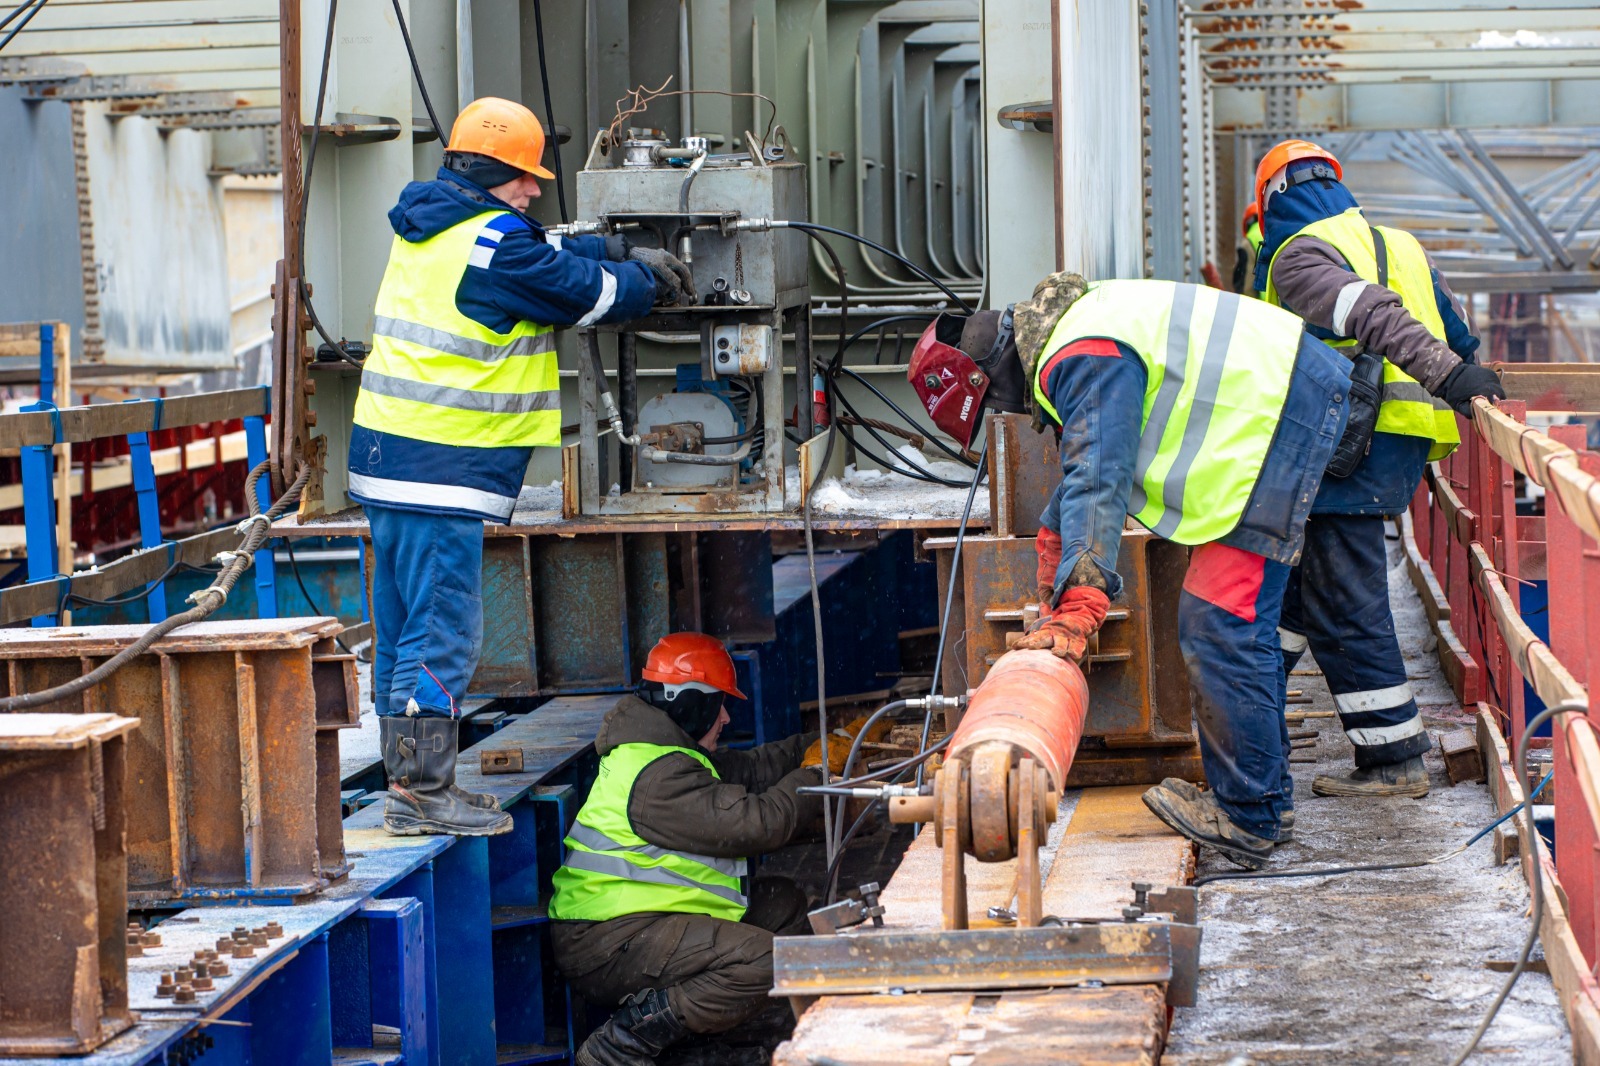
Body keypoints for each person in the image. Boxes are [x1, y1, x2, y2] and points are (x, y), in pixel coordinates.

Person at [910, 272, 1356, 869]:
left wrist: (1078, 606)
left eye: (990, 404)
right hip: (1281, 411)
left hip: (1279, 421)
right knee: (1230, 623)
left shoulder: (1080, 354)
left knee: (1220, 623)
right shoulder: (1079, 331)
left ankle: (1251, 817)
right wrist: (1052, 535)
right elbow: (1088, 467)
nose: (1005, 413)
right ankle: (1265, 799)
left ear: (989, 377)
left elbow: (1101, 474)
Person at [349, 97, 696, 837]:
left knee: (406, 630)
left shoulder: (438, 228)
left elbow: (543, 256)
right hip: (439, 464)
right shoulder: (493, 246)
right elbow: (585, 294)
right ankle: (421, 795)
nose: (536, 189)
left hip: (391, 456)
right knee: (443, 631)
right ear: (489, 172)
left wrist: (612, 249)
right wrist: (647, 280)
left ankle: (410, 788)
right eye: (525, 177)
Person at [1254, 138, 1504, 799]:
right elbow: (1456, 332)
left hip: (1345, 448)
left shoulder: (1299, 253)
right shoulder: (1397, 243)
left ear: (1272, 201)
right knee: (1301, 591)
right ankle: (1253, 712)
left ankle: (1393, 759)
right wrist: (1461, 369)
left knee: (1347, 598)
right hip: (1399, 440)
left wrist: (1448, 374)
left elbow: (1370, 314)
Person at [548, 632, 886, 1065]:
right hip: (605, 944)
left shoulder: (667, 752)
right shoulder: (659, 780)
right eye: (720, 704)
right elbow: (761, 824)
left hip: (636, 925)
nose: (726, 717)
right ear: (691, 704)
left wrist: (825, 741)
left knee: (783, 906)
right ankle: (623, 1043)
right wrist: (816, 771)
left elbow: (755, 769)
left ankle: (710, 1032)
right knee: (770, 960)